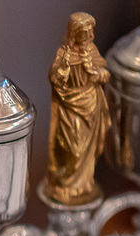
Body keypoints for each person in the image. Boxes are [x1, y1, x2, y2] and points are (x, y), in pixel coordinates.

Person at [44, 12, 111, 206]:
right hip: (70, 106)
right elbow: (54, 78)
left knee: (88, 150)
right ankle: (65, 184)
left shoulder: (92, 50)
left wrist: (100, 75)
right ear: (74, 33)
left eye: (91, 33)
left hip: (91, 104)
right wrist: (63, 69)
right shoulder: (64, 53)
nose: (89, 37)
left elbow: (102, 71)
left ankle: (83, 184)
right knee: (73, 148)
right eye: (85, 33)